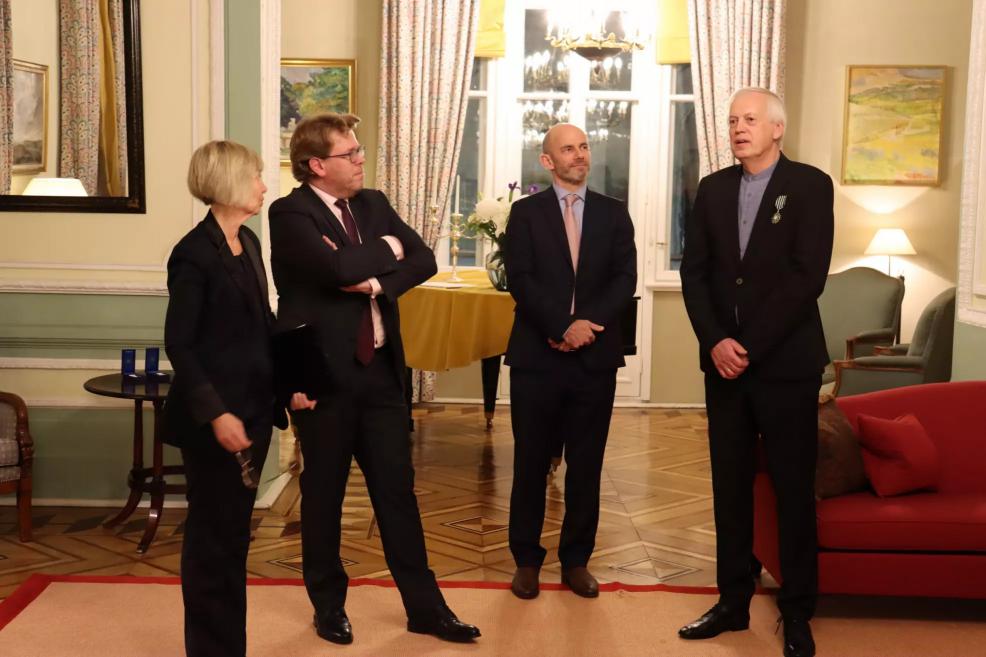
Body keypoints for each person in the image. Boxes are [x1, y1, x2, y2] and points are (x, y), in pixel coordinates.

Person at [268, 112, 480, 644]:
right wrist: (388, 250)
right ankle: (328, 607)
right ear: (317, 165)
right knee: (323, 495)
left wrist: (376, 284)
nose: (362, 160)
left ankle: (425, 608)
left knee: (397, 493)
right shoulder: (288, 213)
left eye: (360, 151)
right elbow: (335, 271)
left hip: (383, 376)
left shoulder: (375, 204)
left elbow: (425, 258)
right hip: (323, 380)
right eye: (351, 153)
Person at [678, 87, 833, 657]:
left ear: (777, 129)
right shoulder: (714, 189)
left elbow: (806, 277)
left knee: (792, 492)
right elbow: (694, 273)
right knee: (730, 490)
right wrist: (717, 341)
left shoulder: (811, 186)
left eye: (750, 119)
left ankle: (796, 613)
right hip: (724, 370)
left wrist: (745, 343)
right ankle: (732, 602)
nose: (738, 127)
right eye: (733, 120)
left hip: (785, 367)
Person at [163, 140, 288, 657]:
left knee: (234, 538)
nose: (263, 185)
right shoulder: (193, 254)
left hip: (255, 414)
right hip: (218, 422)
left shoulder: (249, 242)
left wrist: (292, 385)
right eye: (256, 176)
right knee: (213, 542)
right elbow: (180, 344)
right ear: (230, 183)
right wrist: (216, 413)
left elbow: (264, 328)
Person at [503, 123, 637, 600]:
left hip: (594, 358)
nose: (579, 155)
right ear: (547, 161)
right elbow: (519, 279)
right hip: (537, 357)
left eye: (583, 147)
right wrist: (560, 326)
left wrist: (585, 328)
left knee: (586, 463)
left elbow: (625, 280)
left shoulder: (614, 214)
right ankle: (526, 559)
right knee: (530, 461)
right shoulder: (525, 214)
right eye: (568, 149)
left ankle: (576, 560)